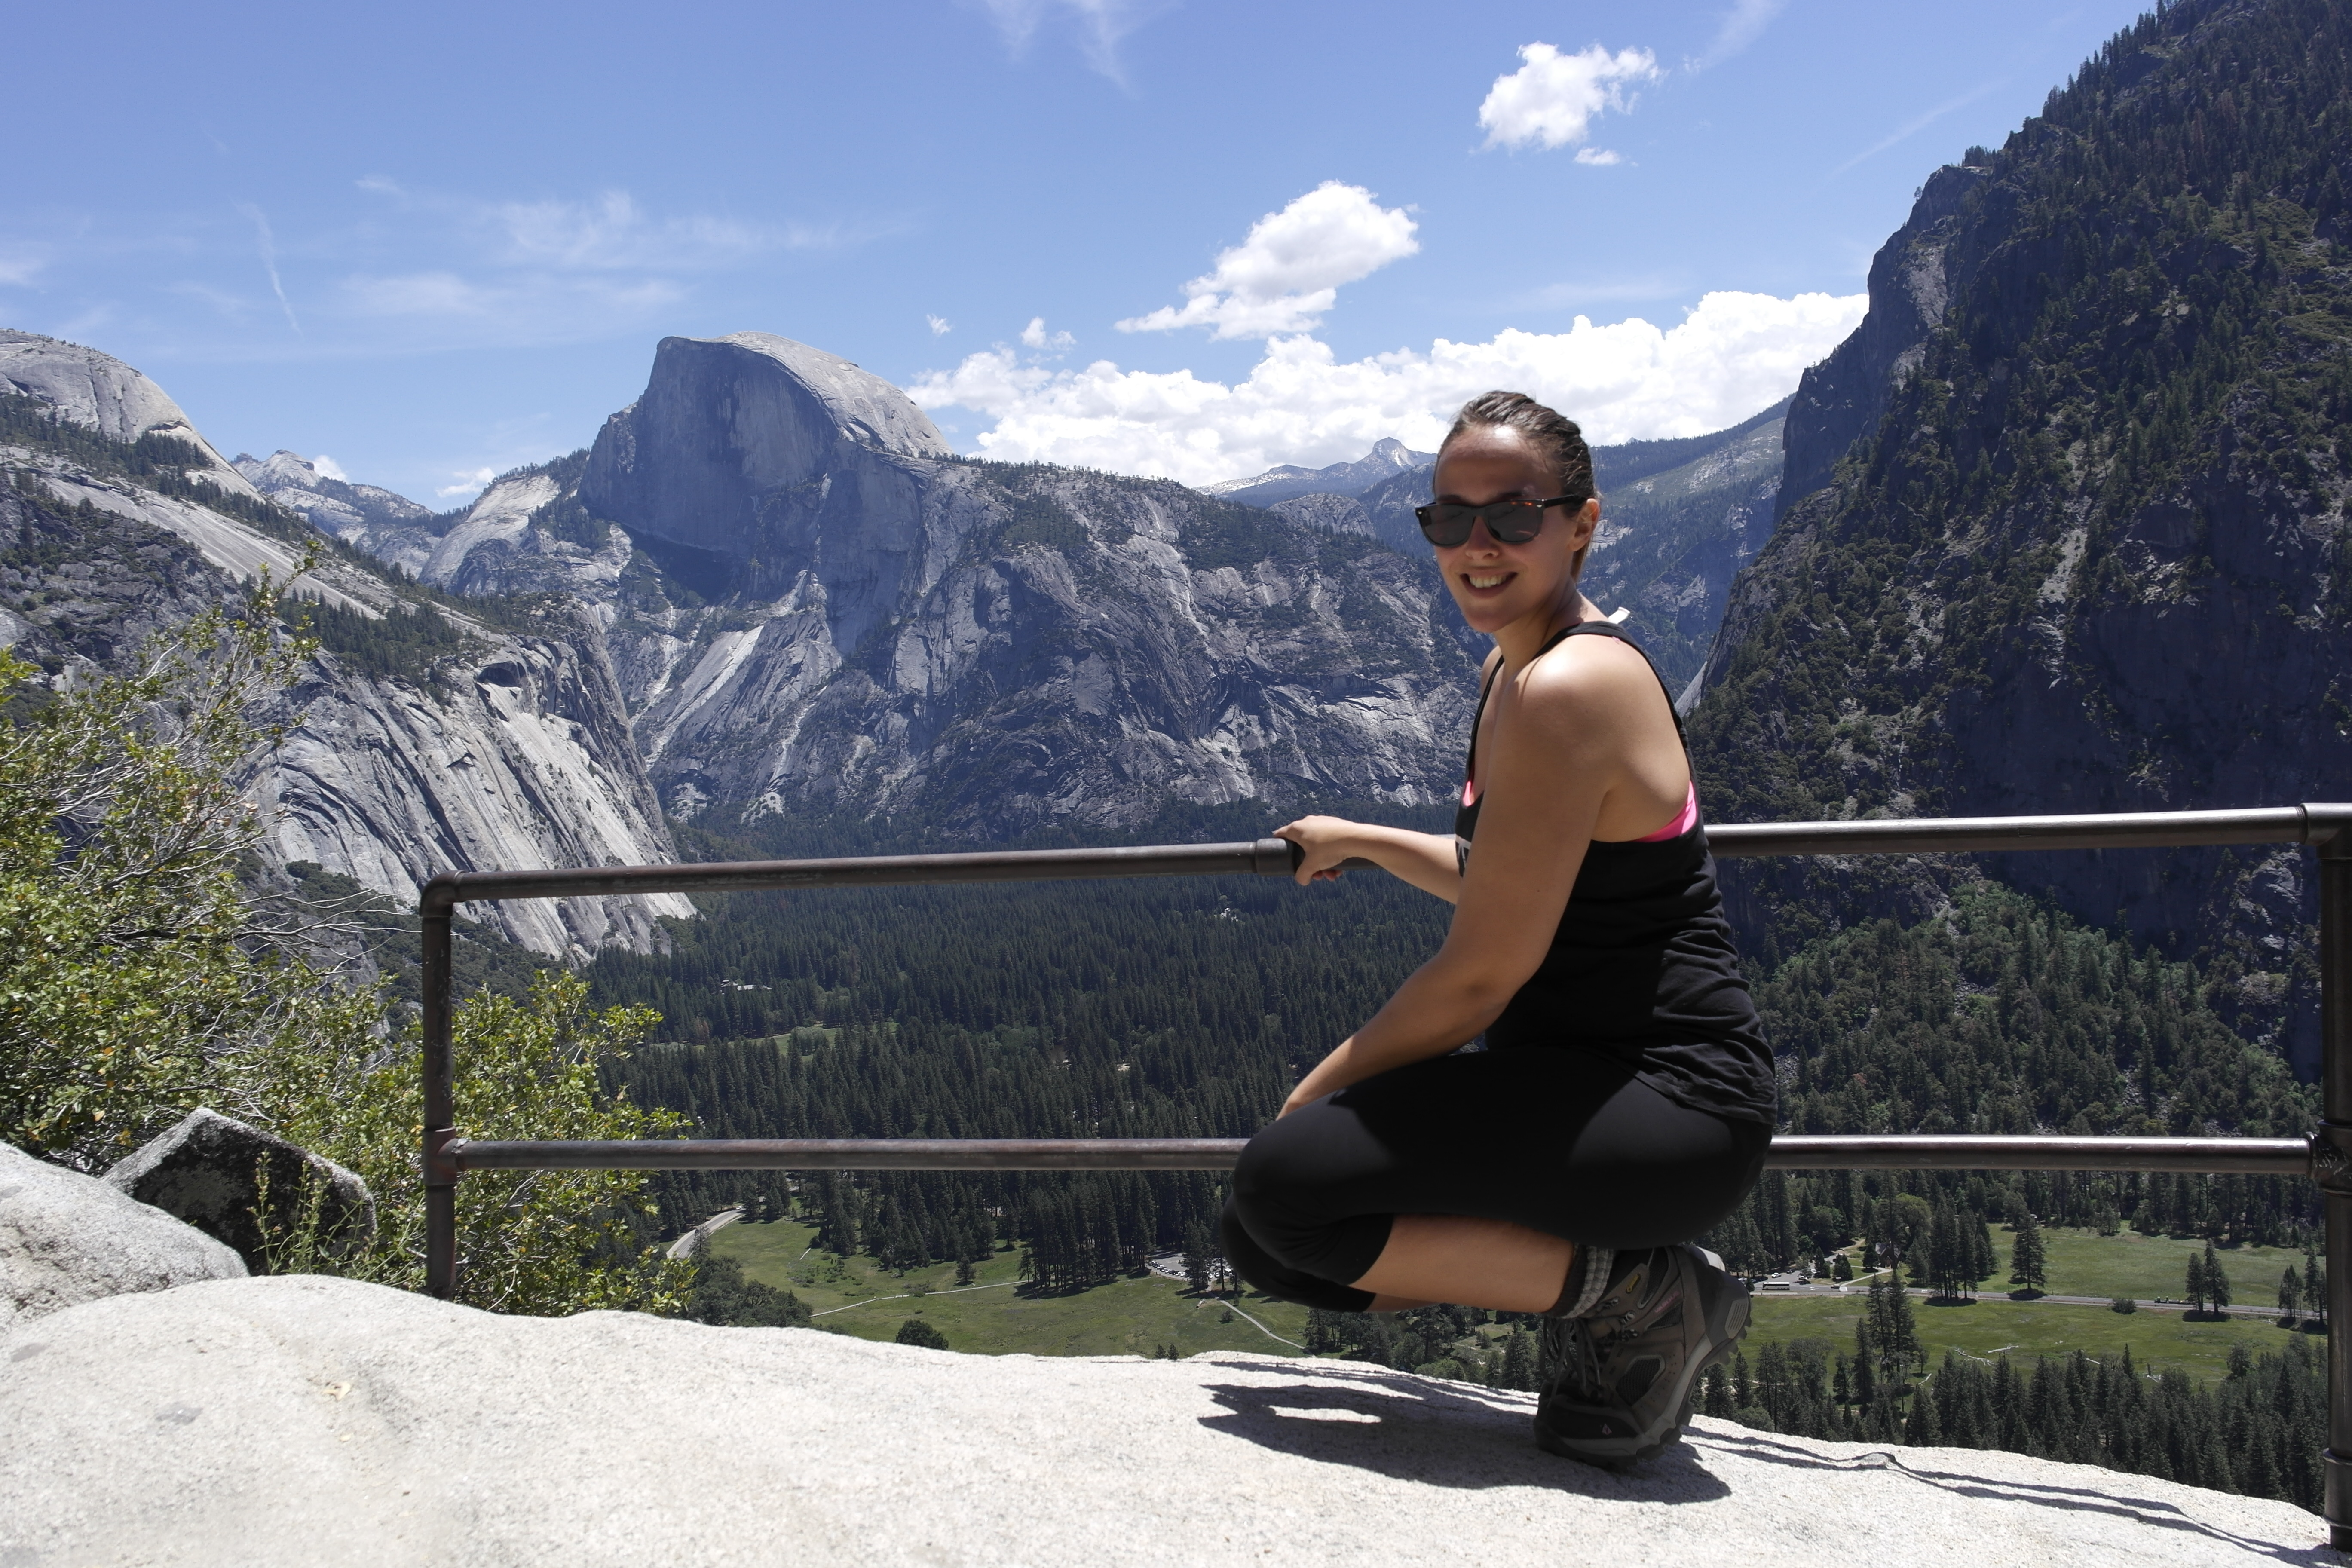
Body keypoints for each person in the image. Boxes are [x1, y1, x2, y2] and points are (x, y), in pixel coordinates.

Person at [1221, 390, 1776, 1466]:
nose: (1477, 545)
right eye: (1448, 518)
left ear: (1582, 524)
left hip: (1672, 1103)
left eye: (1513, 515)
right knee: (1266, 1237)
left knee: (1285, 1190)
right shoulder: (1513, 668)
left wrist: (1315, 1094)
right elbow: (1512, 880)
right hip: (1580, 1089)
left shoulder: (1572, 684)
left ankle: (1647, 1297)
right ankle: (1599, 1295)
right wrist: (1368, 841)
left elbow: (1483, 973)